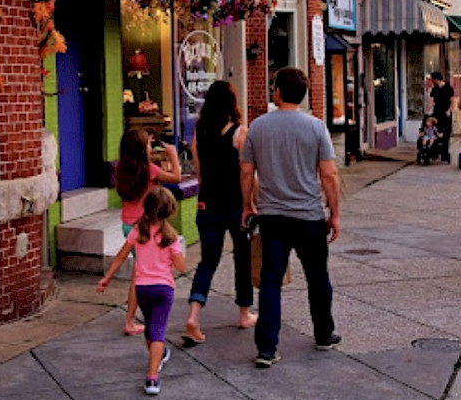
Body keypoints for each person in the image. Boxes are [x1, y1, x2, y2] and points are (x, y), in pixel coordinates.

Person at [240, 67, 342, 367]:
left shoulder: (257, 127)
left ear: (278, 92)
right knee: (317, 276)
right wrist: (334, 213)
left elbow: (246, 171)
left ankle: (267, 348)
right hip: (309, 215)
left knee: (271, 281)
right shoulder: (316, 127)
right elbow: (329, 174)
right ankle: (324, 333)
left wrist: (247, 205)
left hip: (272, 217)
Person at [184, 81, 256, 345]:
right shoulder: (240, 133)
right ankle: (244, 313)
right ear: (231, 103)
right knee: (242, 259)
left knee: (207, 261)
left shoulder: (199, 132)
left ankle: (194, 315)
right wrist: (252, 203)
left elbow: (200, 173)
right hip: (235, 206)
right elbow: (248, 173)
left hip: (207, 204)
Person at [97, 187, 187, 396]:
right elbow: (181, 266)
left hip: (142, 288)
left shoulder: (139, 231)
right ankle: (152, 377)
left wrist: (107, 278)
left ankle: (160, 354)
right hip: (164, 289)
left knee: (150, 329)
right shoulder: (170, 237)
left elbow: (120, 256)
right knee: (157, 330)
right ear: (169, 211)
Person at [115, 128, 181, 336]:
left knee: (140, 271)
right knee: (140, 275)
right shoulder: (149, 170)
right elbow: (177, 177)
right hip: (142, 225)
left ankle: (133, 318)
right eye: (147, 144)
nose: (150, 147)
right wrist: (172, 154)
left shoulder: (122, 169)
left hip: (127, 224)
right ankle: (130, 321)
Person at [429, 72, 454, 162]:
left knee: (446, 134)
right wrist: (429, 111)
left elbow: (452, 101)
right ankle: (434, 152)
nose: (432, 81)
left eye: (432, 79)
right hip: (437, 113)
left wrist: (449, 111)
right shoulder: (434, 89)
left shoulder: (448, 88)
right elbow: (431, 100)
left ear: (436, 79)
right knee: (435, 132)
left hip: (445, 113)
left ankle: (445, 154)